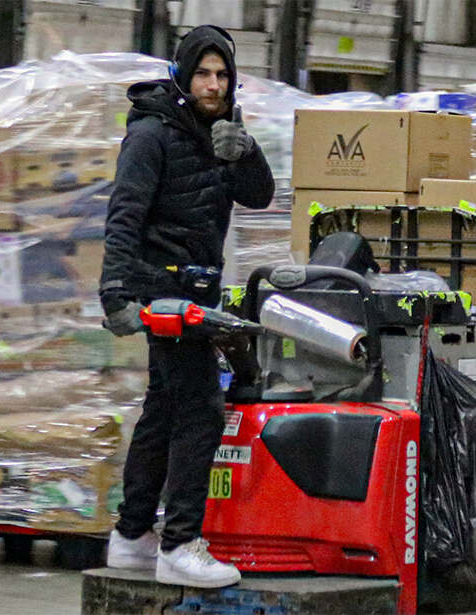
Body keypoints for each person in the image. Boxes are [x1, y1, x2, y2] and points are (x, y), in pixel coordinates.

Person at [96, 24, 273, 588]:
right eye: (203, 73)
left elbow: (259, 194)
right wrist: (116, 292)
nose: (213, 84)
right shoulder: (152, 133)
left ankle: (130, 538)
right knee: (199, 408)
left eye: (222, 75)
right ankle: (179, 544)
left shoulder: (224, 127)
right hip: (163, 289)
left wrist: (245, 151)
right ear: (183, 73)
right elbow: (124, 214)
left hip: (199, 291)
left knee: (164, 407)